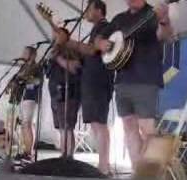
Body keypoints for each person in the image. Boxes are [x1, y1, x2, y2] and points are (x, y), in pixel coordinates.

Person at [94, 0, 174, 170]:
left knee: (147, 129)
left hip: (145, 78)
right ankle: (137, 171)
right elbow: (99, 37)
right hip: (122, 80)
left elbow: (166, 36)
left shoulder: (152, 14)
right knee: (129, 127)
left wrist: (164, 20)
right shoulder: (119, 19)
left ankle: (153, 174)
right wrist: (101, 43)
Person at [62, 0, 114, 175]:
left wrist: (70, 43)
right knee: (95, 124)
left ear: (99, 10)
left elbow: (93, 50)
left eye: (89, 9)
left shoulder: (105, 26)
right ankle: (102, 164)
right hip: (91, 81)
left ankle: (104, 167)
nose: (85, 12)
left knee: (99, 123)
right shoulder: (95, 29)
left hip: (99, 81)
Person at [48, 27, 82, 158]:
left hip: (69, 91)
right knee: (61, 127)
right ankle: (63, 154)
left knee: (68, 127)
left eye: (57, 35)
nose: (54, 38)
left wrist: (58, 58)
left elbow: (76, 67)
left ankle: (68, 156)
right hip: (55, 93)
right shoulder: (53, 51)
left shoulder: (71, 49)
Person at [16, 46, 41, 162]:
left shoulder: (36, 67)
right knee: (23, 125)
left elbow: (38, 81)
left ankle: (29, 152)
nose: (23, 54)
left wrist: (26, 79)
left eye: (25, 52)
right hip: (23, 97)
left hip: (31, 97)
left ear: (32, 55)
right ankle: (25, 150)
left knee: (27, 124)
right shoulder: (23, 67)